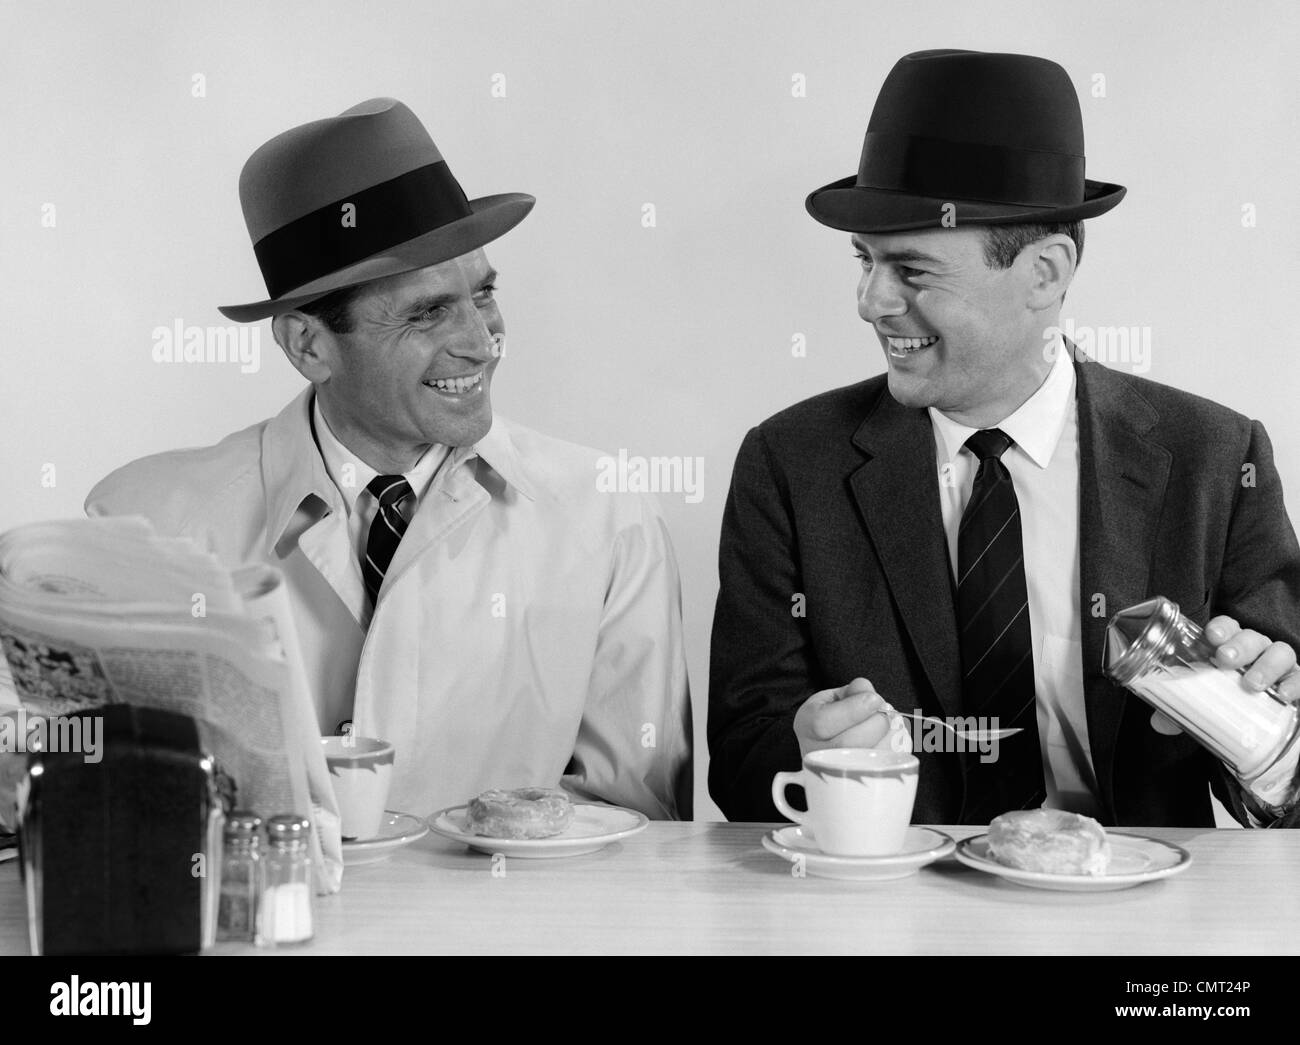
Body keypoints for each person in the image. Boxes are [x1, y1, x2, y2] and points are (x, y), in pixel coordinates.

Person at [708, 50, 1300, 828]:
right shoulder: (790, 464)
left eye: (912, 271)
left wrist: (1268, 738)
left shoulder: (1216, 461)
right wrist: (804, 748)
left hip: (1135, 914)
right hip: (894, 920)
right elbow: (741, 761)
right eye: (865, 262)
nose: (869, 301)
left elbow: (1284, 798)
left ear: (1045, 274)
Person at [86, 98, 692, 820]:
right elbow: (103, 803)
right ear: (308, 344)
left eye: (484, 293)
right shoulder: (146, 523)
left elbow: (639, 822)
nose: (481, 339)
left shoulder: (606, 513)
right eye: (427, 312)